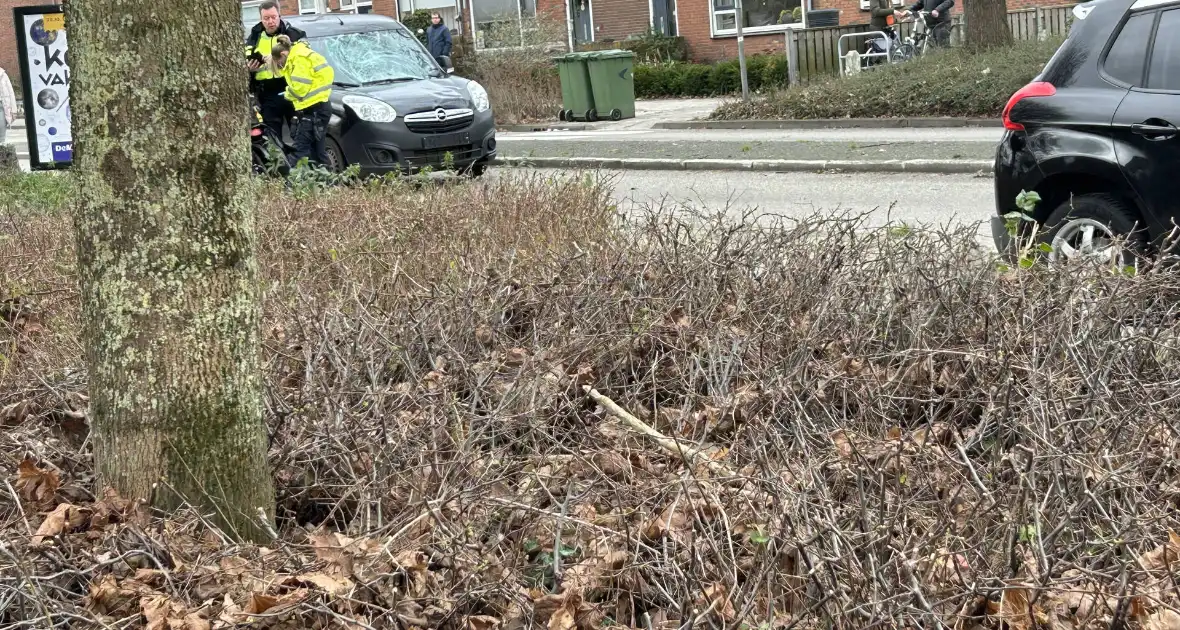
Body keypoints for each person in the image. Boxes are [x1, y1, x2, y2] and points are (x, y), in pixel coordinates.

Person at [270, 35, 334, 169]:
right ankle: (327, 184)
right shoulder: (300, 54)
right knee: (318, 151)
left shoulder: (299, 58)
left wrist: (287, 94)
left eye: (279, 62)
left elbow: (300, 89)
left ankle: (291, 184)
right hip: (318, 108)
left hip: (314, 110)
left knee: (301, 150)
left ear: (283, 54)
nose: (281, 66)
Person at [245, 2, 306, 139]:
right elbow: (243, 62)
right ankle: (277, 160)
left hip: (292, 91)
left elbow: (305, 61)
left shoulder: (294, 35)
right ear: (261, 18)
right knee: (272, 139)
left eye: (273, 17)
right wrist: (250, 69)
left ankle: (302, 160)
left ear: (279, 15)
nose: (270, 22)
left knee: (301, 137)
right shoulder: (254, 38)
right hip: (267, 95)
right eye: (266, 18)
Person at [0, 66, 17, 142]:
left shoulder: (3, 74)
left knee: (1, 136)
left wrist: (14, 110)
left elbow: (11, 93)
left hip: (1, 107)